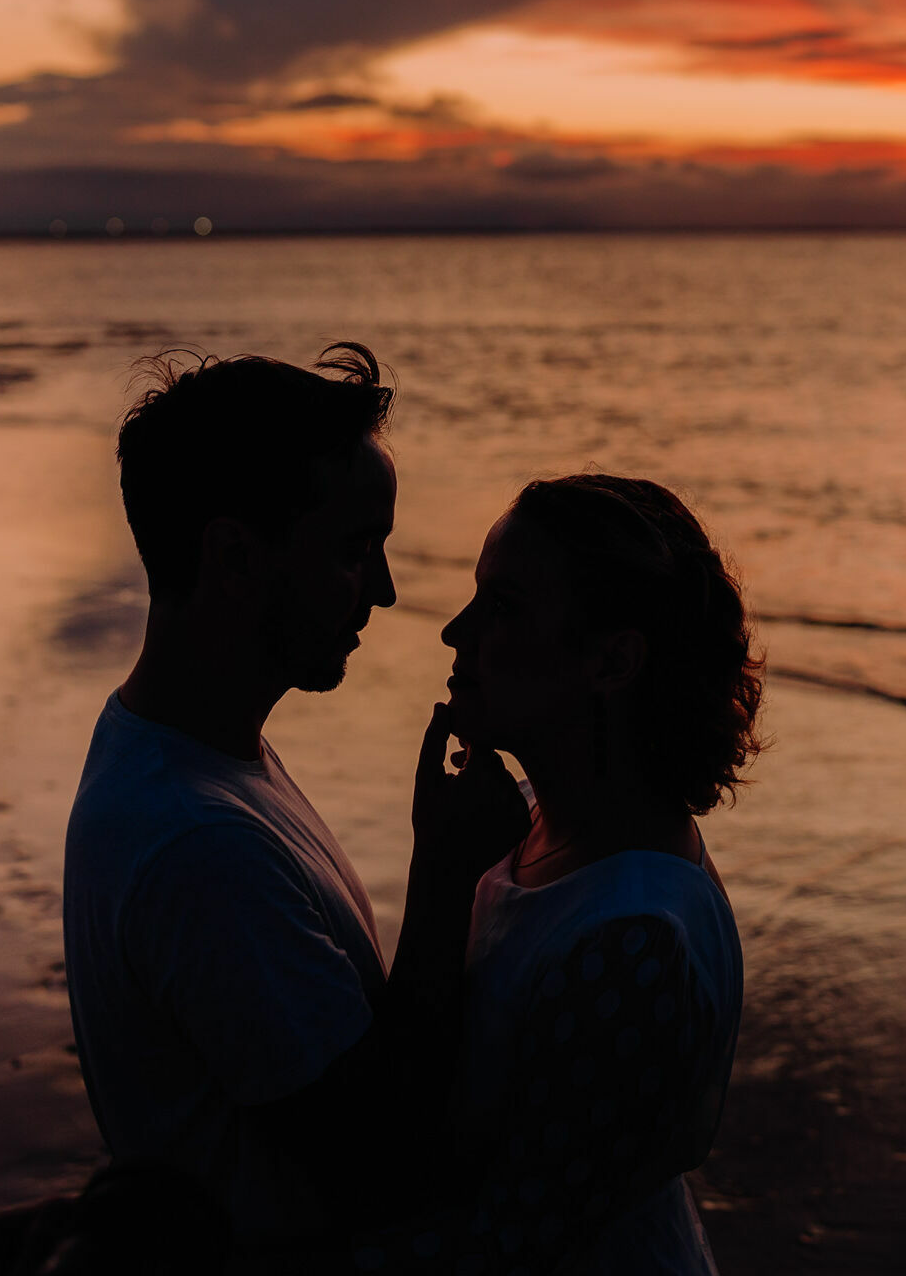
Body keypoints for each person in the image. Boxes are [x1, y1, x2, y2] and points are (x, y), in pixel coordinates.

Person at [60, 344, 527, 1252]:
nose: (386, 591)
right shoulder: (198, 845)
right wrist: (444, 883)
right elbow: (382, 1163)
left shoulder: (195, 760)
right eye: (356, 551)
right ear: (235, 558)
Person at [346, 473, 756, 1274]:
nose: (454, 631)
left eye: (501, 607)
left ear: (611, 660)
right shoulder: (526, 820)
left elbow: (506, 1248)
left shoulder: (633, 940)